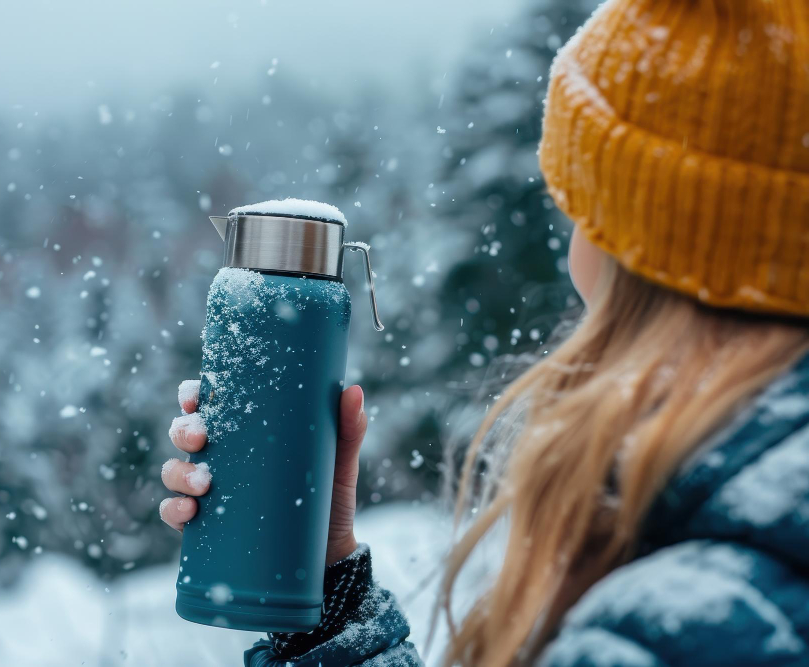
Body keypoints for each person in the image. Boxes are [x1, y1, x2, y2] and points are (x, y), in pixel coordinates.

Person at [161, 0, 809, 663]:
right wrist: (328, 605)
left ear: (652, 252)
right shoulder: (742, 569)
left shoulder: (679, 623)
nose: (573, 255)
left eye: (584, 212)